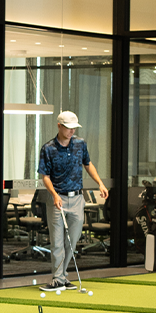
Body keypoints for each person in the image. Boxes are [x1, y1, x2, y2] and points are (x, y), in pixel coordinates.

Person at [38, 110, 107, 293]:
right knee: (57, 242)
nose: (71, 132)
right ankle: (57, 278)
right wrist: (54, 194)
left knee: (73, 240)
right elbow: (44, 176)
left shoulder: (80, 144)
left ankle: (62, 275)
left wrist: (99, 183)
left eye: (74, 128)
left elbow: (88, 164)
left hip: (77, 198)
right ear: (59, 126)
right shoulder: (48, 148)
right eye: (68, 128)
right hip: (57, 200)